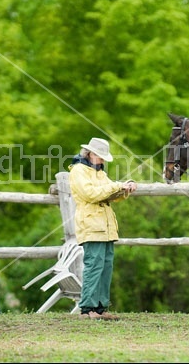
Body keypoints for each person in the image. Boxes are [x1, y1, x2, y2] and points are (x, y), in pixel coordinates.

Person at [68, 137, 137, 320]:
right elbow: (91, 194)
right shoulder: (78, 171)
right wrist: (117, 185)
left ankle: (100, 308)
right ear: (91, 153)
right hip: (91, 226)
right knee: (94, 266)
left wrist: (124, 190)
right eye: (101, 157)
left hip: (106, 227)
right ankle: (87, 308)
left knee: (106, 266)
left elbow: (109, 193)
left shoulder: (98, 172)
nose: (103, 160)